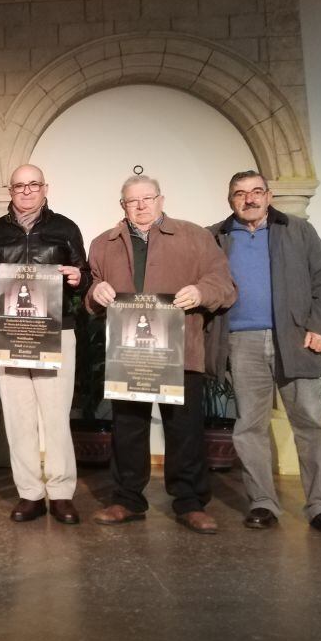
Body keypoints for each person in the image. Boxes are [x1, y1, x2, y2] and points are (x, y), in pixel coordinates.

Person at [86, 174, 236, 534]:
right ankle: (126, 500)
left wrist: (201, 293)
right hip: (129, 354)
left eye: (147, 198)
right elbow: (90, 293)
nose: (141, 205)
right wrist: (97, 292)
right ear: (122, 205)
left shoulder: (195, 236)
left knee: (184, 429)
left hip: (180, 350)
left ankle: (190, 503)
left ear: (161, 199)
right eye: (132, 200)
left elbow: (224, 285)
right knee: (128, 429)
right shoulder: (103, 244)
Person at [208, 170, 321, 536]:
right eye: (240, 193)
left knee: (309, 425)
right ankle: (262, 502)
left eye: (256, 192)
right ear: (230, 199)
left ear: (268, 196)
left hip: (296, 340)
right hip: (241, 342)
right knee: (248, 427)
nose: (249, 199)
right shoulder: (215, 236)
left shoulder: (298, 230)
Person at [0, 164, 90, 525]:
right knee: (17, 416)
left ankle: (60, 493)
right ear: (10, 191)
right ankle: (29, 493)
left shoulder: (65, 228)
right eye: (19, 186)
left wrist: (77, 277)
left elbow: (84, 276)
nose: (26, 191)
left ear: (45, 188)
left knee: (55, 416)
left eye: (33, 185)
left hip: (55, 332)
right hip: (8, 333)